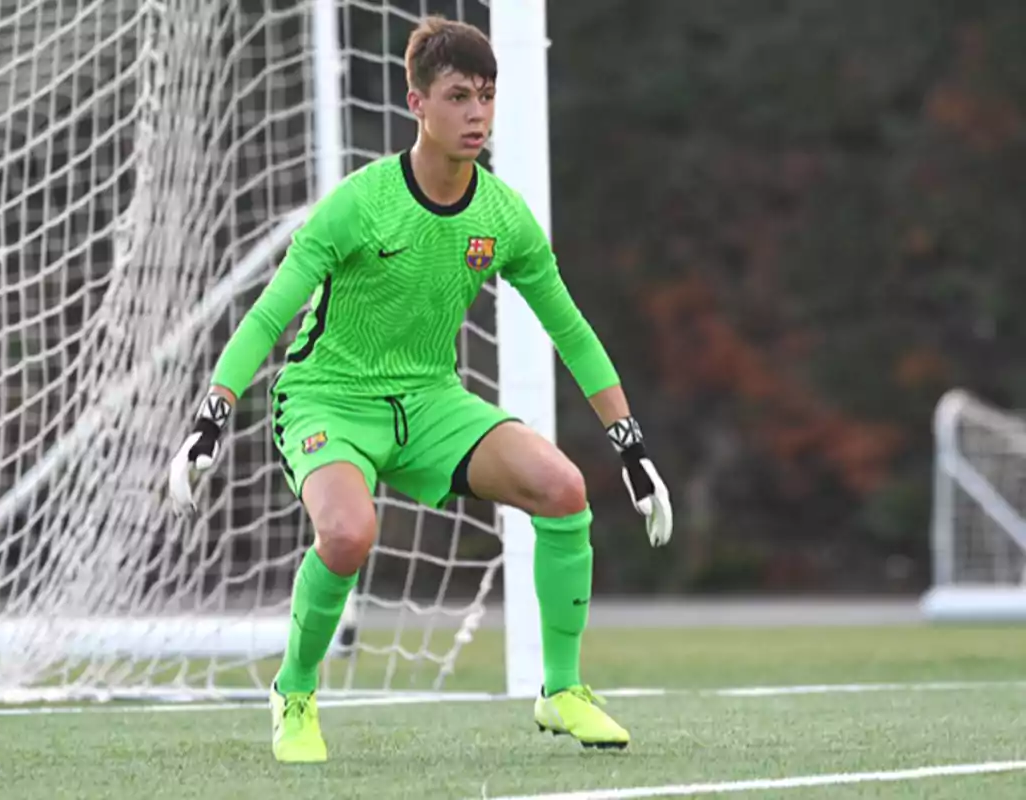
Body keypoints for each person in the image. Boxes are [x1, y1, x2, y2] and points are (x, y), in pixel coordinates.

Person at [168, 15, 672, 764]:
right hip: (326, 400)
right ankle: (295, 691)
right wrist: (212, 414)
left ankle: (561, 690)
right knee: (347, 533)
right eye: (460, 96)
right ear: (417, 105)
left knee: (564, 488)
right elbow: (272, 311)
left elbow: (571, 330)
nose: (477, 114)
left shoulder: (502, 216)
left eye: (488, 97)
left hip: (430, 401)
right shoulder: (359, 203)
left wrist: (629, 447)